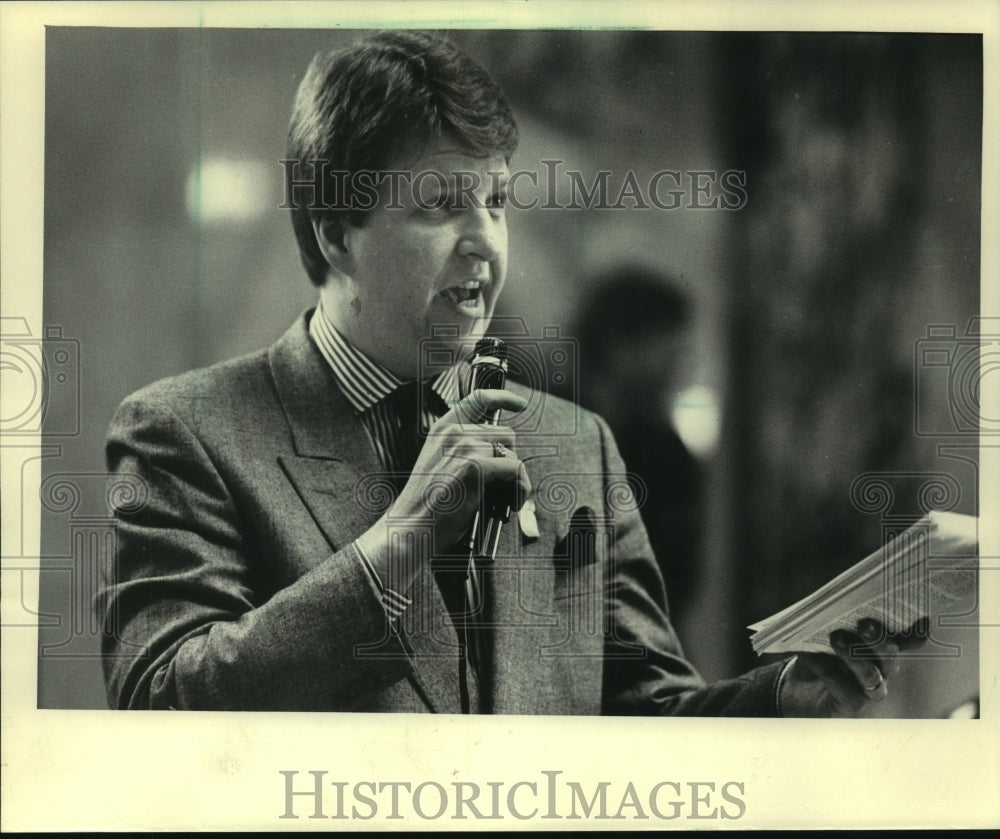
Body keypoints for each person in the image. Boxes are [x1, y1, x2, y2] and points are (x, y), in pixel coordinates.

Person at [98, 30, 912, 715]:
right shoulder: (186, 432)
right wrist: (402, 544)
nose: (485, 242)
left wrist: (781, 697)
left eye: (494, 201)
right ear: (339, 229)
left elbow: (648, 713)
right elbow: (161, 703)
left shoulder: (574, 443)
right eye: (441, 204)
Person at [573, 268, 703, 630]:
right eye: (667, 348)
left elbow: (678, 585)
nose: (676, 367)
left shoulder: (669, 452)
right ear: (619, 343)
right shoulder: (556, 433)